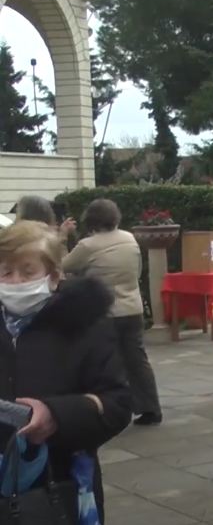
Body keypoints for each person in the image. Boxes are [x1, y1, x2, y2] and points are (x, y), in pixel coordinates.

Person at [0, 221, 133, 521]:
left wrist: (56, 415)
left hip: (59, 486)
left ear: (54, 276)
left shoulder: (86, 326)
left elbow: (119, 403)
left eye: (28, 271)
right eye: (6, 271)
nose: (15, 281)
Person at [63, 199, 162, 427]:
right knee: (137, 361)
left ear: (91, 219)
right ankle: (150, 408)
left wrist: (61, 237)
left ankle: (106, 410)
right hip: (132, 309)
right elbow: (137, 272)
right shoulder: (130, 238)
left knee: (103, 363)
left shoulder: (88, 245)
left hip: (103, 313)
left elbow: (62, 266)